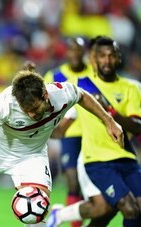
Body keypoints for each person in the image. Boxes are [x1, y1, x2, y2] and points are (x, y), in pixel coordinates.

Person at [0, 63, 124, 227]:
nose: (31, 114)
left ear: (46, 96)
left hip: (31, 157)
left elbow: (83, 96)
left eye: (34, 108)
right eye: (26, 110)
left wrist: (109, 121)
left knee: (36, 211)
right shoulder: (7, 102)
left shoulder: (62, 93)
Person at [46, 36, 141, 227]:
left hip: (126, 157)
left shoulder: (132, 87)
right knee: (128, 208)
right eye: (101, 56)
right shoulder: (83, 89)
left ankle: (61, 214)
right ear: (93, 59)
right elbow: (62, 127)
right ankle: (63, 216)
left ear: (118, 57)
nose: (107, 60)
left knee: (106, 209)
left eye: (111, 55)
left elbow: (137, 126)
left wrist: (110, 111)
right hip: (96, 160)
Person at [44, 37, 92, 227]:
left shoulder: (94, 73)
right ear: (67, 52)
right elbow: (44, 102)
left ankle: (64, 214)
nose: (76, 54)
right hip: (69, 135)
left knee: (88, 186)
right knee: (73, 181)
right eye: (72, 50)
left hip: (93, 135)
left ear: (84, 52)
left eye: (79, 50)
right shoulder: (55, 75)